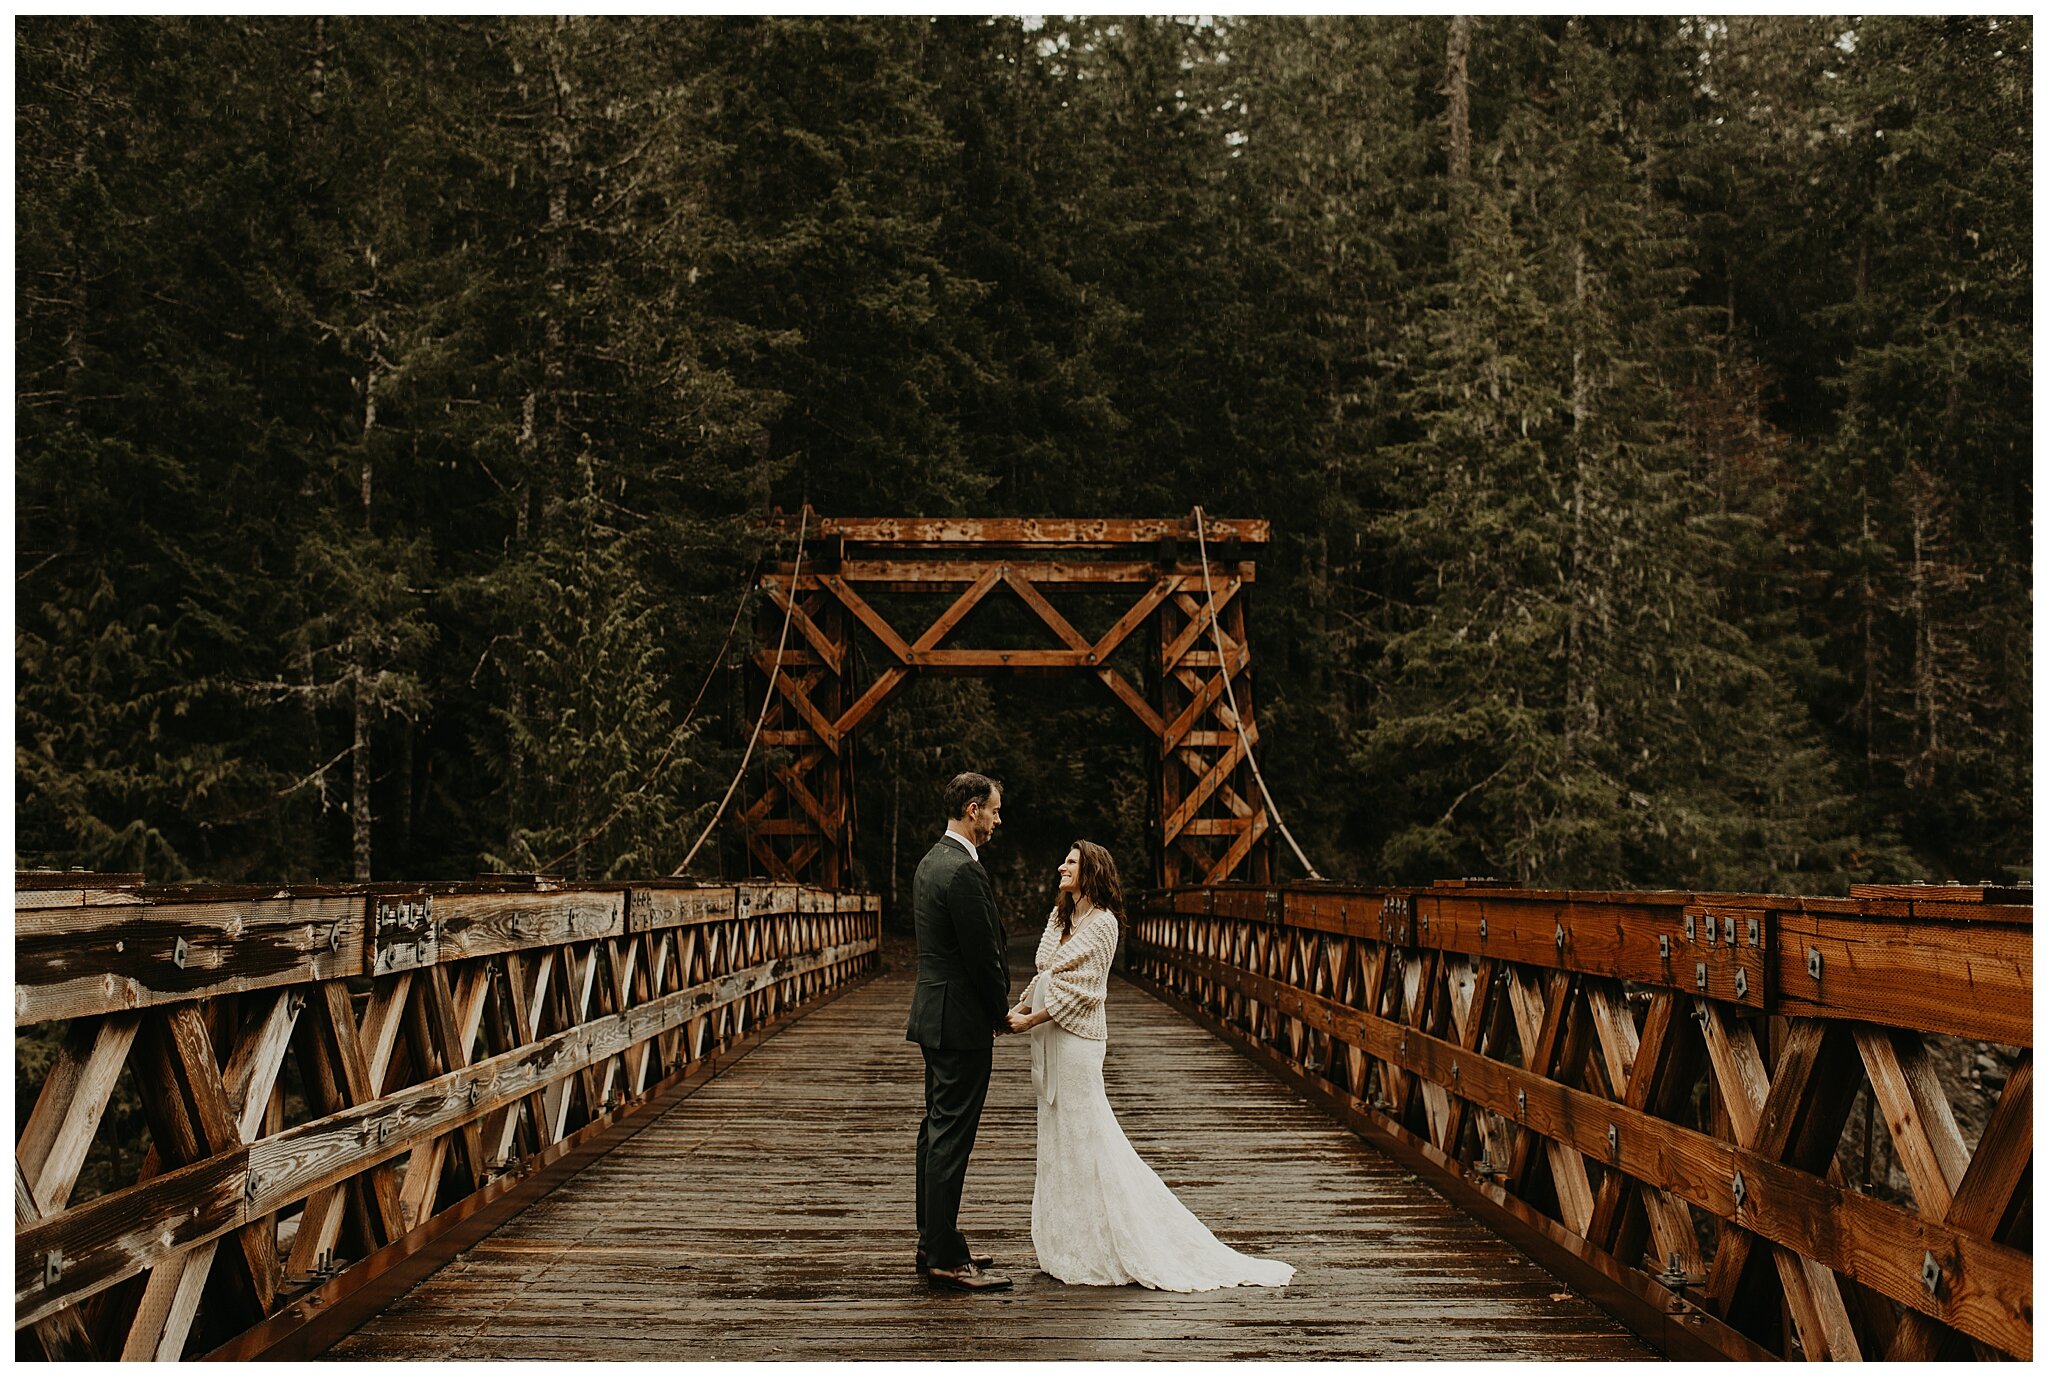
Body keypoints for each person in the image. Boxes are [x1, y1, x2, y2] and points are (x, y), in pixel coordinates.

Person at [1007, 840, 1294, 1291]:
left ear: (1092, 872)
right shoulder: (1059, 918)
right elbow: (1046, 976)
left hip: (1078, 1040)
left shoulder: (1103, 926)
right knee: (1057, 1134)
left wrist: (1031, 1019)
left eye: (1072, 862)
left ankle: (1108, 1242)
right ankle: (1067, 1240)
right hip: (1048, 1038)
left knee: (1088, 1135)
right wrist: (1012, 1014)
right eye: (1063, 859)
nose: (1061, 866)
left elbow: (1085, 992)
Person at [904, 772, 1013, 1292]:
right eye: (993, 810)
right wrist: (1001, 1013)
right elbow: (983, 958)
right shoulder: (964, 873)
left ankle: (935, 1238)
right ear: (973, 810)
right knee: (950, 1137)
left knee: (935, 1131)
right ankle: (945, 1256)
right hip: (962, 1021)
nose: (997, 819)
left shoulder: (931, 863)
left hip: (934, 1016)